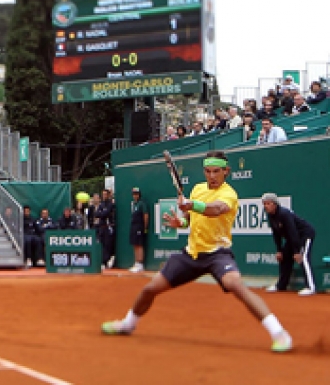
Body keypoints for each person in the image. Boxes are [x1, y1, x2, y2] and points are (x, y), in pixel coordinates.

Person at [102, 151, 294, 353]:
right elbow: (190, 218)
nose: (212, 176)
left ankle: (279, 333)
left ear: (226, 171)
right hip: (191, 254)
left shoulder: (229, 194)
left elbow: (216, 209)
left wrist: (192, 204)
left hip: (218, 253)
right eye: (208, 171)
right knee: (150, 289)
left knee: (236, 285)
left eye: (216, 171)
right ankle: (128, 323)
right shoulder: (197, 189)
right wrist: (181, 221)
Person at [262, 192, 317, 296]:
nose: (266, 206)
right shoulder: (271, 216)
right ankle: (281, 285)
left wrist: (296, 251)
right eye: (264, 204)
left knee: (303, 257)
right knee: (285, 256)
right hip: (293, 238)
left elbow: (293, 232)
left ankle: (311, 287)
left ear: (274, 204)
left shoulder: (284, 214)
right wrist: (279, 250)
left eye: (268, 203)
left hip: (305, 234)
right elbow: (276, 234)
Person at [128, 188, 149, 273]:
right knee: (135, 244)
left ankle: (140, 264)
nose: (135, 195)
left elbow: (146, 215)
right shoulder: (134, 204)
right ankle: (136, 263)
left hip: (140, 227)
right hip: (134, 226)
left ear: (139, 195)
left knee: (139, 244)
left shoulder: (142, 204)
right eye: (134, 194)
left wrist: (145, 227)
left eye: (136, 194)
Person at [95, 189, 116, 269]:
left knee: (108, 245)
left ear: (108, 195)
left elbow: (106, 213)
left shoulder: (110, 204)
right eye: (103, 194)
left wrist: (102, 213)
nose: (104, 196)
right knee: (101, 244)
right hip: (101, 228)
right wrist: (102, 214)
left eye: (105, 194)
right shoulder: (101, 204)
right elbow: (96, 214)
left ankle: (107, 261)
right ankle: (103, 262)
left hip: (108, 227)